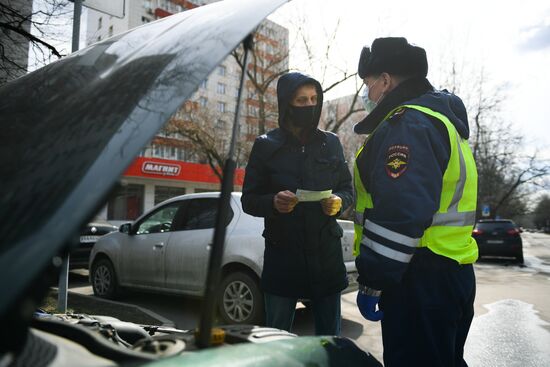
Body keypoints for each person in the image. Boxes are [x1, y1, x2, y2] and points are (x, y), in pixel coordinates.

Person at [352, 37, 478, 366]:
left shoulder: (408, 124)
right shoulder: (441, 121)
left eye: (368, 84)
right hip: (451, 272)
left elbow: (400, 214)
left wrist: (373, 281)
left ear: (385, 80)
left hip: (421, 277)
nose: (367, 94)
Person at [241, 72, 353, 335]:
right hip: (283, 260)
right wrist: (273, 202)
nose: (309, 105)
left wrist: (339, 201)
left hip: (326, 259)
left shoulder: (331, 143)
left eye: (314, 99)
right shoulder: (265, 145)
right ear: (286, 103)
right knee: (276, 340)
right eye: (301, 100)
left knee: (329, 343)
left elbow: (347, 189)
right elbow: (249, 200)